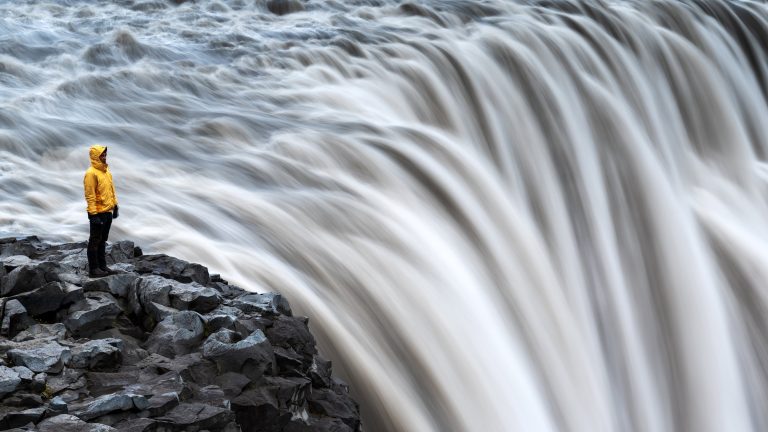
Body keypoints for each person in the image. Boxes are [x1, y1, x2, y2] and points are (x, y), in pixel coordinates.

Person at [83, 145, 119, 278]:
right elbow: (90, 196)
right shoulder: (91, 173)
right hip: (98, 213)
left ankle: (102, 266)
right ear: (95, 156)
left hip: (107, 211)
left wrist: (115, 206)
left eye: (105, 154)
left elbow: (111, 190)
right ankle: (93, 269)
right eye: (101, 155)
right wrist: (93, 215)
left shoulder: (106, 171)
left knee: (103, 240)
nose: (104, 157)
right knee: (94, 240)